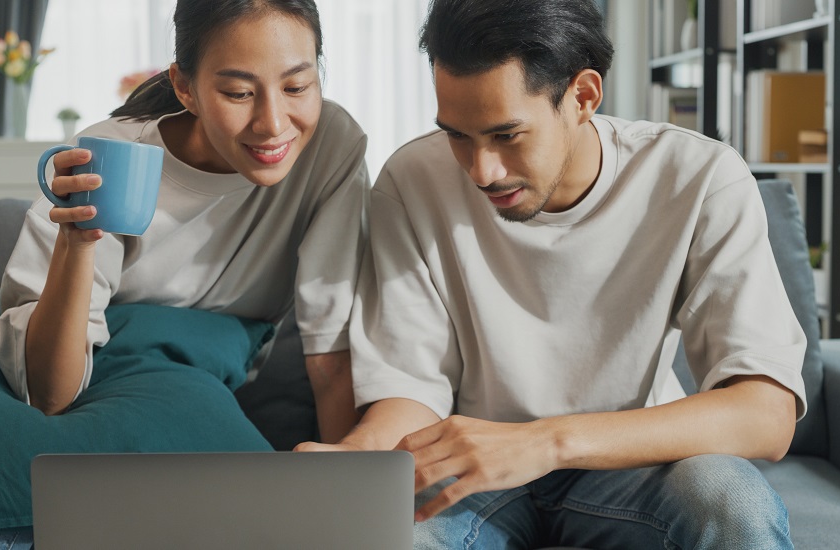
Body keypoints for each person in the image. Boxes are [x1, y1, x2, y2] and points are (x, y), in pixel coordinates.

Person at [0, 1, 367, 549]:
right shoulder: (108, 157)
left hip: (199, 371)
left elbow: (329, 338)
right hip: (79, 365)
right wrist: (79, 239)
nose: (273, 123)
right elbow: (52, 393)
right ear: (185, 86)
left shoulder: (329, 145)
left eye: (297, 85)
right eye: (238, 92)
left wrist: (347, 502)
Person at [297, 0, 808, 548]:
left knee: (736, 506)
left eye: (507, 135)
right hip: (473, 479)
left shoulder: (699, 178)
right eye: (458, 135)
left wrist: (545, 443)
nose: (480, 171)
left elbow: (766, 413)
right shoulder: (411, 182)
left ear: (583, 96)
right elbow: (409, 389)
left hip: (630, 464)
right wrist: (358, 454)